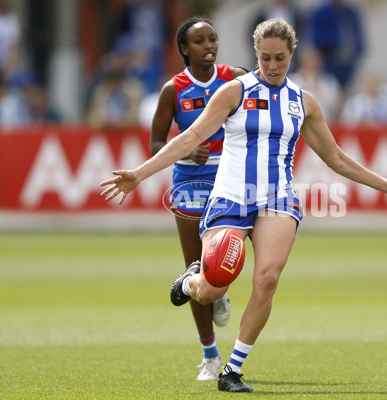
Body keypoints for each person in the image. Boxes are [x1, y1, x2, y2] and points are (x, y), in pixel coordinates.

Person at [100, 18, 387, 393]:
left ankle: (233, 370)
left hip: (278, 200)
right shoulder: (234, 92)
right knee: (213, 289)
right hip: (230, 197)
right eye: (266, 58)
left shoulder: (303, 102)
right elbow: (189, 136)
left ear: (292, 55)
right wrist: (139, 174)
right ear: (256, 54)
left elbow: (336, 158)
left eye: (281, 59)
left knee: (267, 280)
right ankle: (190, 281)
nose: (273, 66)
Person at [147, 18, 247, 381]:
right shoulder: (172, 90)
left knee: (227, 258)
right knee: (195, 268)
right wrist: (188, 153)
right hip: (191, 182)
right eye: (199, 40)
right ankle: (209, 355)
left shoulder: (236, 77)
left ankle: (220, 289)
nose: (209, 45)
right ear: (184, 50)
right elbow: (156, 144)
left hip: (234, 180)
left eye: (213, 38)